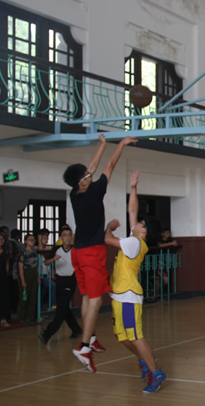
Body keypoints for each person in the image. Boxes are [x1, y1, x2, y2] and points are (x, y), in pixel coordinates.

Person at [63, 133, 136, 372]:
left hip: (77, 253)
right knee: (95, 301)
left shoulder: (75, 193)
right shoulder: (96, 191)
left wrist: (102, 144)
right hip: (92, 253)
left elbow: (92, 168)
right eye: (86, 176)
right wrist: (121, 144)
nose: (90, 175)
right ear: (82, 182)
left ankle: (91, 337)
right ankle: (83, 347)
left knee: (86, 297)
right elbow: (110, 165)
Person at [105, 169, 166, 392]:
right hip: (119, 295)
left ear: (144, 231)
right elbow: (132, 210)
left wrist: (109, 228)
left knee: (136, 336)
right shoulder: (135, 238)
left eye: (141, 223)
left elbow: (106, 239)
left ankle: (156, 372)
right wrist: (133, 188)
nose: (137, 222)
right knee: (122, 337)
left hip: (129, 296)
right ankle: (143, 359)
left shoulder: (134, 243)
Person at [38, 226, 83, 344]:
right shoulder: (56, 249)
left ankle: (47, 334)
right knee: (64, 307)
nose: (67, 237)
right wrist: (53, 259)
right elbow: (46, 263)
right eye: (64, 235)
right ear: (61, 238)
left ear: (72, 237)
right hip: (59, 280)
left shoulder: (75, 250)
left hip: (70, 280)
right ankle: (76, 329)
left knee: (61, 309)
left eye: (69, 235)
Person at [17, 233, 40, 324]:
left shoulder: (35, 253)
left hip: (33, 273)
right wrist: (23, 280)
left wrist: (38, 277)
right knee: (24, 296)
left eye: (33, 240)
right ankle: (21, 317)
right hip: (25, 273)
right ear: (26, 241)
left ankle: (29, 316)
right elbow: (20, 267)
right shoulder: (23, 253)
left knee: (32, 296)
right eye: (30, 240)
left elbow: (36, 266)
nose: (32, 242)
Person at [37, 228, 55, 310]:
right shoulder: (35, 248)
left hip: (46, 274)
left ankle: (47, 307)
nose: (46, 240)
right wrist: (39, 240)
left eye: (47, 238)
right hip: (39, 274)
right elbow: (40, 250)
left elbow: (52, 249)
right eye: (43, 238)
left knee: (43, 292)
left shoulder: (48, 248)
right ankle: (47, 306)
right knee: (41, 292)